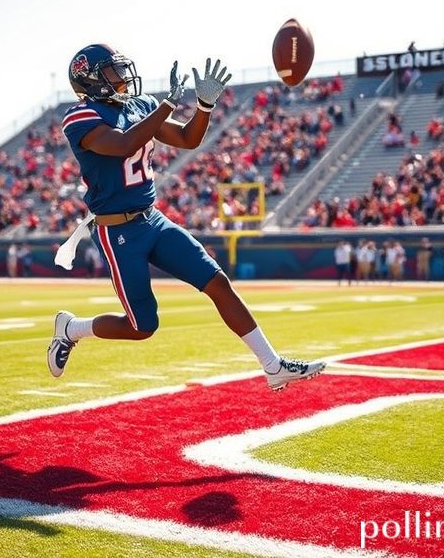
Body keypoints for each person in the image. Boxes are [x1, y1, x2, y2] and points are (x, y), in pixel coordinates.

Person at [48, 44, 324, 391]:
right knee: (142, 326)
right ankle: (72, 329)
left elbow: (187, 138)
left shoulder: (141, 105)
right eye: (112, 72)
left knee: (217, 281)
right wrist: (166, 106)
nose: (121, 78)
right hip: (117, 232)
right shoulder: (81, 116)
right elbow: (122, 144)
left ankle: (273, 366)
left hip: (153, 220)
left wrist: (204, 107)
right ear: (90, 80)